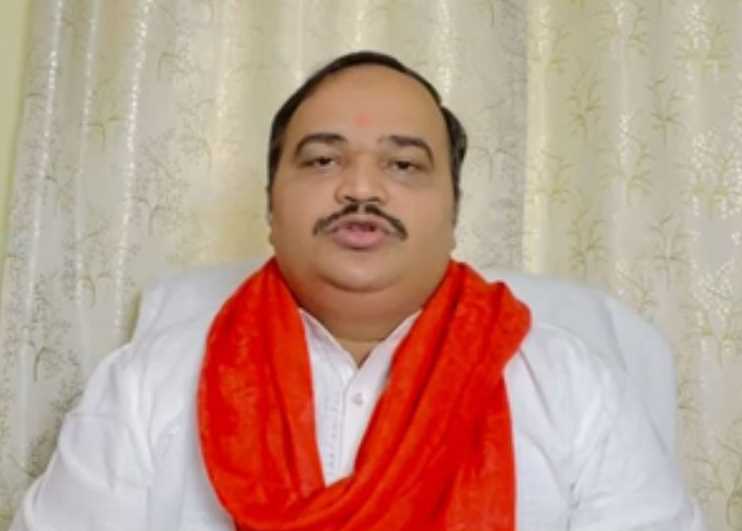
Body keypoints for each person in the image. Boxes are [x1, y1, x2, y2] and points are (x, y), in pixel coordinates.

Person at [11, 51, 705, 530]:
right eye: (322, 160)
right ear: (271, 205)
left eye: (404, 164)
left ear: (454, 212)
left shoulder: (574, 388)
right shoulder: (146, 385)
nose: (361, 188)